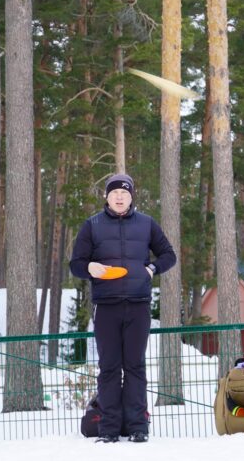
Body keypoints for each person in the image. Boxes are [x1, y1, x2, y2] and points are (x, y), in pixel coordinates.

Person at [69, 173, 176, 443]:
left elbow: (168, 255)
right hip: (106, 307)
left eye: (125, 193)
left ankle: (139, 427)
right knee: (109, 368)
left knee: (135, 367)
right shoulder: (91, 225)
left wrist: (152, 269)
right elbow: (76, 264)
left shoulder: (147, 224)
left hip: (138, 306)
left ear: (132, 197)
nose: (120, 197)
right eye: (115, 192)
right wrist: (89, 267)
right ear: (107, 196)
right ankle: (109, 429)